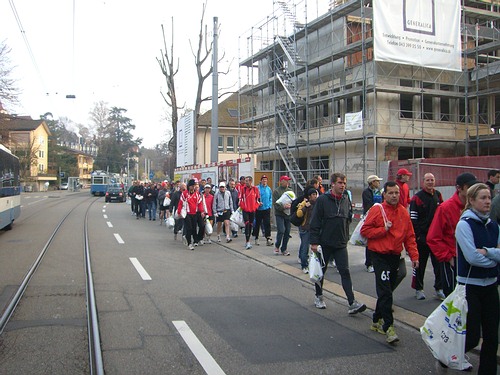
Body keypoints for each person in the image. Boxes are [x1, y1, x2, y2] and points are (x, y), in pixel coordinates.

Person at [361, 181, 419, 344]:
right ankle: (389, 326)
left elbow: (409, 236)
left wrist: (414, 256)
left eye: (396, 193)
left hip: (395, 255)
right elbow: (365, 231)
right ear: (384, 194)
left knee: (387, 289)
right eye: (391, 193)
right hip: (379, 255)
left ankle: (376, 319)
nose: (394, 196)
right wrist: (383, 230)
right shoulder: (377, 209)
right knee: (385, 291)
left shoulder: (403, 212)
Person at [455, 183, 499, 374]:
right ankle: (447, 355)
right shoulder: (464, 224)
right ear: (471, 201)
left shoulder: (494, 225)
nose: (488, 201)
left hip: (490, 286)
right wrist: (494, 261)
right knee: (472, 337)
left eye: (489, 197)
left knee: (491, 336)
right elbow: (471, 257)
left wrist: (488, 252)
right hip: (469, 287)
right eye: (483, 198)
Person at [309, 172, 366, 314]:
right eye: (340, 183)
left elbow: (347, 219)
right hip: (325, 243)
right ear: (333, 184)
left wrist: (346, 237)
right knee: (321, 271)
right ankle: (319, 296)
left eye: (344, 183)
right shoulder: (322, 200)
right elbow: (315, 222)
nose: (343, 185)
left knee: (345, 271)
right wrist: (314, 242)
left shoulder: (346, 199)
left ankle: (352, 302)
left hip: (340, 243)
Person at [427, 172, 478, 297]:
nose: (472, 190)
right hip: (452, 260)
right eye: (469, 187)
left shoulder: (477, 207)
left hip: (473, 259)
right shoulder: (445, 208)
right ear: (459, 188)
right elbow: (433, 237)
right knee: (454, 298)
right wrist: (448, 256)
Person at [409, 173, 444, 300]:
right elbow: (413, 219)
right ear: (423, 182)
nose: (430, 182)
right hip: (422, 238)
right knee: (420, 264)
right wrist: (418, 236)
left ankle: (439, 289)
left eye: (432, 180)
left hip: (436, 238)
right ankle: (418, 289)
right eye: (427, 180)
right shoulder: (417, 198)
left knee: (439, 264)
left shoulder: (438, 195)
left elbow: (442, 213)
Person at [362, 174, 383, 273]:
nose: (379, 183)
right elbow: (368, 205)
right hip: (370, 218)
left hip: (379, 218)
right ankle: (369, 263)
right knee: (369, 242)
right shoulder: (366, 192)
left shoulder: (379, 192)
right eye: (377, 181)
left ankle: (376, 262)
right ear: (372, 182)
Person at [178, 179, 206, 250]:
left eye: (194, 186)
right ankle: (189, 243)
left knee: (194, 228)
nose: (193, 187)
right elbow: (180, 203)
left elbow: (200, 204)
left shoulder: (197, 194)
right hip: (187, 213)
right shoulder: (185, 193)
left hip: (195, 213)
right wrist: (179, 212)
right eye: (192, 186)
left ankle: (196, 240)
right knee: (189, 228)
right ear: (189, 186)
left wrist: (202, 211)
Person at [296, 188, 318, 273]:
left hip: (314, 229)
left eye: (315, 194)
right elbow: (299, 214)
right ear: (309, 196)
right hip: (305, 228)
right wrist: (306, 206)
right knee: (305, 247)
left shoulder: (317, 203)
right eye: (313, 195)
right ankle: (304, 265)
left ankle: (315, 265)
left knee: (315, 248)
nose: (315, 196)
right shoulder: (304, 203)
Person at [272, 176, 293, 256]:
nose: (288, 182)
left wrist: (291, 205)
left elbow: (294, 200)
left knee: (287, 232)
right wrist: (283, 207)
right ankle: (277, 246)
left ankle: (284, 248)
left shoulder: (290, 191)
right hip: (279, 214)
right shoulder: (276, 191)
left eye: (288, 181)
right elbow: (276, 204)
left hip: (288, 214)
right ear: (282, 181)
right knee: (281, 230)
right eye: (286, 181)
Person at [239, 176, 261, 250]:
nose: (246, 182)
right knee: (247, 224)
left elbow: (258, 200)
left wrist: (255, 207)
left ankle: (248, 240)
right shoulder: (243, 189)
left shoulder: (255, 189)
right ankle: (247, 241)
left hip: (252, 210)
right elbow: (240, 199)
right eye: (245, 181)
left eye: (247, 181)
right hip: (245, 210)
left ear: (251, 181)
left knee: (251, 225)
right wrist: (243, 207)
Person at [254, 175, 273, 246]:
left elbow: (270, 198)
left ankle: (268, 238)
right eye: (263, 180)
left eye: (265, 180)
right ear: (261, 181)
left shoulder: (269, 189)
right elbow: (254, 198)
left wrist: (269, 205)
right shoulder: (257, 188)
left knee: (267, 223)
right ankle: (256, 237)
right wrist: (258, 203)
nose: (264, 181)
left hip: (266, 209)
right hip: (259, 209)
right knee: (258, 223)